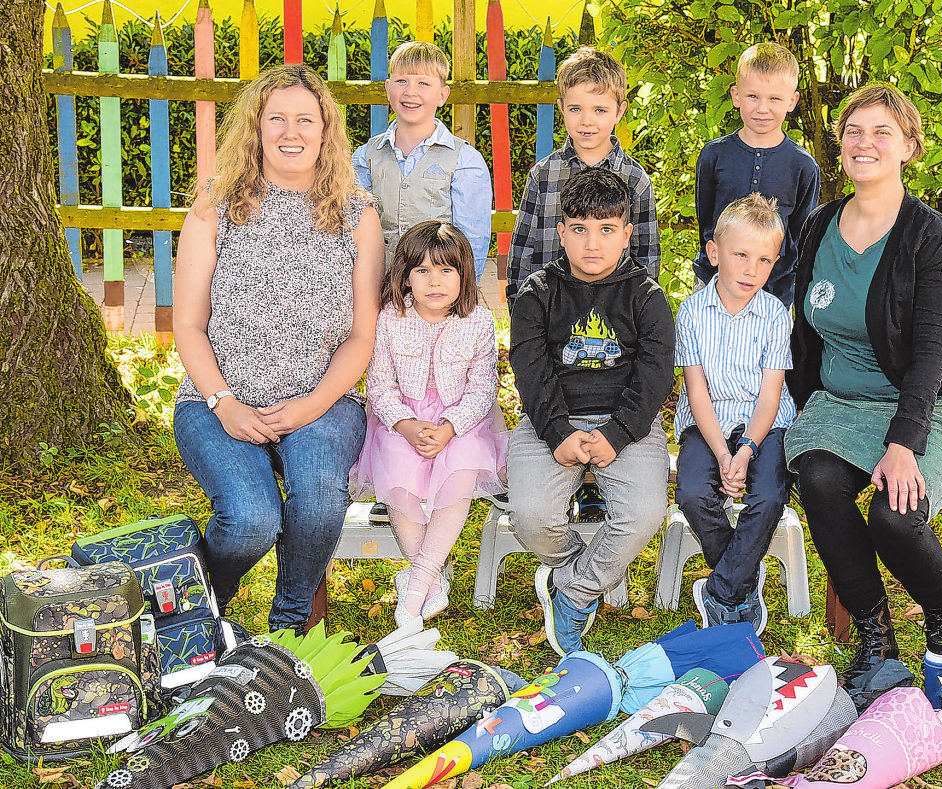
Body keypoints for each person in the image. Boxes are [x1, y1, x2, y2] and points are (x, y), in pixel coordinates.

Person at [172, 65, 384, 633]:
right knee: (250, 522)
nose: (292, 132)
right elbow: (187, 325)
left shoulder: (357, 217)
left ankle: (289, 629)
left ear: (326, 131)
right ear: (256, 129)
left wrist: (310, 406)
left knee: (317, 503)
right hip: (216, 401)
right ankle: (198, 608)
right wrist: (224, 402)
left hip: (321, 400)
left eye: (305, 120)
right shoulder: (215, 208)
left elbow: (362, 336)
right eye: (277, 119)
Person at [784, 84, 942, 688]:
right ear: (839, 145)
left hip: (929, 402)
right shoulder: (818, 227)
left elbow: (928, 352)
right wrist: (794, 407)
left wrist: (903, 444)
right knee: (817, 476)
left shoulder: (928, 236)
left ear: (910, 149)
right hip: (842, 402)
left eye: (882, 132)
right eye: (854, 131)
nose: (864, 143)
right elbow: (805, 334)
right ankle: (877, 639)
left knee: (895, 519)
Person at [508, 167, 675, 656]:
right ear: (561, 232)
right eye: (579, 229)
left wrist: (619, 433)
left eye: (606, 230)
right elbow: (530, 369)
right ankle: (572, 564)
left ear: (626, 233)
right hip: (551, 421)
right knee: (531, 515)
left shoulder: (646, 295)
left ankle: (576, 589)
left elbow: (655, 373)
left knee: (644, 513)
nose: (592, 244)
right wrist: (558, 431)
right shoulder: (538, 293)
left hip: (629, 424)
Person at [506, 45, 660, 519]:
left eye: (599, 109)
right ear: (562, 109)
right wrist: (522, 314)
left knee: (605, 388)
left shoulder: (635, 181)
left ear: (619, 111)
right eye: (575, 108)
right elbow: (524, 249)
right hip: (551, 318)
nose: (586, 120)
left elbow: (646, 261)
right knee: (559, 387)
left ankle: (598, 484)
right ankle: (561, 473)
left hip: (612, 324)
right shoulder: (544, 174)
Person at [350, 221, 507, 628]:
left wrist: (451, 426)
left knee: (460, 469)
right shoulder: (390, 319)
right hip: (400, 419)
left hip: (462, 421)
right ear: (405, 276)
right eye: (422, 271)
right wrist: (403, 424)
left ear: (464, 275)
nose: (434, 281)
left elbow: (482, 388)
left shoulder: (478, 321)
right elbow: (379, 385)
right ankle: (431, 580)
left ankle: (417, 584)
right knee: (396, 471)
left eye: (446, 270)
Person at [674, 194, 795, 636]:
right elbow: (697, 392)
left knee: (768, 496)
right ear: (713, 253)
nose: (750, 270)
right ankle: (743, 576)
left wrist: (745, 451)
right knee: (692, 492)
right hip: (706, 422)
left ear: (775, 263)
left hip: (767, 423)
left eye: (764, 260)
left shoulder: (775, 314)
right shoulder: (690, 312)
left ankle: (723, 589)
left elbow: (770, 396)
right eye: (740, 255)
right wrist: (722, 454)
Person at [352, 41, 492, 279]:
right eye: (401, 81)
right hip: (378, 286)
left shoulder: (466, 161)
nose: (410, 92)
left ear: (442, 95)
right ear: (388, 89)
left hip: (437, 292)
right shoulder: (365, 156)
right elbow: (354, 229)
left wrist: (465, 294)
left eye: (423, 83)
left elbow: (473, 241)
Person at [694, 43, 820, 308]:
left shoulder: (803, 165)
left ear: (792, 101)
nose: (763, 108)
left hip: (775, 292)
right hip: (713, 284)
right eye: (753, 96)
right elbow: (706, 220)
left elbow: (799, 235)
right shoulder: (714, 155)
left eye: (774, 98)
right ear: (736, 96)